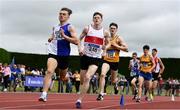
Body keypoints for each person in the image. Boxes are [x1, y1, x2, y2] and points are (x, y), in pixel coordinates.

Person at [39, 7, 78, 102]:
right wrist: (50, 38)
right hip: (53, 53)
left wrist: (64, 36)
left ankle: (67, 78)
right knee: (49, 71)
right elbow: (53, 36)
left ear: (68, 16)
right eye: (60, 13)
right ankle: (44, 94)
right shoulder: (55, 27)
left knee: (62, 77)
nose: (61, 15)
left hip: (64, 55)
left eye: (64, 14)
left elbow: (76, 41)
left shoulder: (70, 27)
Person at [75, 12, 110, 108]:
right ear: (93, 19)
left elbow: (108, 43)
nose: (96, 19)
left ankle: (79, 100)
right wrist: (80, 48)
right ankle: (81, 92)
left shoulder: (105, 32)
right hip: (85, 56)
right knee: (82, 80)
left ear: (101, 20)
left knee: (87, 77)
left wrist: (105, 48)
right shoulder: (87, 28)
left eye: (98, 18)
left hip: (96, 58)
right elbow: (79, 39)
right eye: (95, 17)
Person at [96, 22, 128, 101]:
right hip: (106, 60)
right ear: (109, 29)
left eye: (114, 28)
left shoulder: (119, 38)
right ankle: (101, 93)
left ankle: (115, 85)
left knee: (113, 80)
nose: (112, 30)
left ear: (116, 30)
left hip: (115, 62)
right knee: (102, 74)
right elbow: (103, 48)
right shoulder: (106, 38)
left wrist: (116, 45)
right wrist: (103, 49)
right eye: (111, 28)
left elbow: (126, 49)